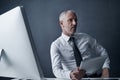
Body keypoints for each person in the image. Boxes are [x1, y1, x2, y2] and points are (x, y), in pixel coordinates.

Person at [50, 10, 110, 80]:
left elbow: (102, 51)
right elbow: (56, 70)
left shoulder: (85, 37)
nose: (74, 23)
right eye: (70, 20)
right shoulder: (56, 45)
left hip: (93, 77)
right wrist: (70, 75)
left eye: (76, 20)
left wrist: (106, 68)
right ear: (61, 23)